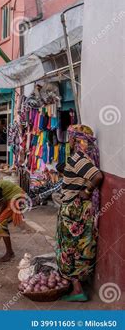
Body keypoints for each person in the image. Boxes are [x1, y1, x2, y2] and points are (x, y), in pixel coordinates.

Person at [56, 124, 103, 302]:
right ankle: (78, 286)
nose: (68, 140)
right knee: (80, 246)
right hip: (79, 210)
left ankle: (77, 290)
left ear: (75, 139)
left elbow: (97, 176)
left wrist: (88, 191)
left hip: (74, 211)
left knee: (70, 248)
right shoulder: (84, 157)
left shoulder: (78, 158)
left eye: (70, 136)